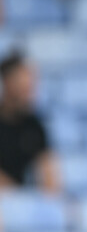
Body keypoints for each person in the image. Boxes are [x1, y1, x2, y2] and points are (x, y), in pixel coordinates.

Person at [0, 52, 59, 193]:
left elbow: (50, 175)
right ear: (7, 82)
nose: (29, 92)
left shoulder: (34, 125)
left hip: (19, 199)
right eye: (23, 86)